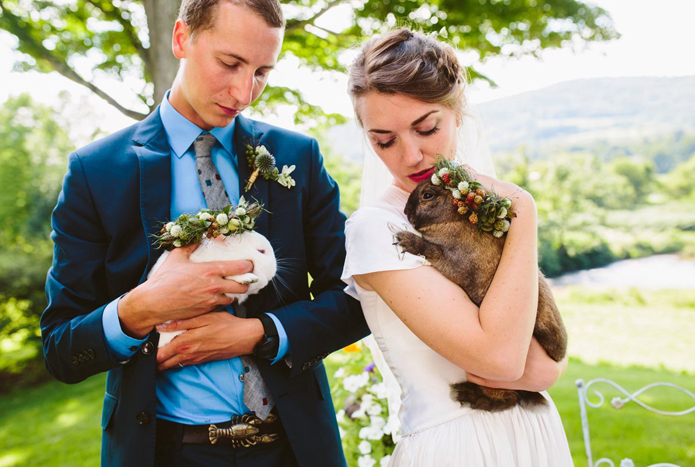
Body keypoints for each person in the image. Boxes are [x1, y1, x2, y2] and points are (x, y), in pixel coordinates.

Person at [40, 0, 368, 465]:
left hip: (295, 446)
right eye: (230, 63)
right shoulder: (96, 173)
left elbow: (357, 295)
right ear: (180, 39)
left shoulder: (298, 155)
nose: (244, 91)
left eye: (261, 72)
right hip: (166, 452)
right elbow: (60, 346)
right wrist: (141, 308)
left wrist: (257, 333)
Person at [342, 29, 574, 466]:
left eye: (426, 128)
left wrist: (545, 368)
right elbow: (503, 359)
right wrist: (523, 211)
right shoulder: (377, 229)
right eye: (384, 140)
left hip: (534, 434)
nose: (411, 156)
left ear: (458, 112)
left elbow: (546, 357)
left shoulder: (482, 210)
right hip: (459, 448)